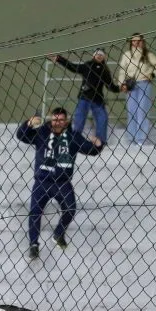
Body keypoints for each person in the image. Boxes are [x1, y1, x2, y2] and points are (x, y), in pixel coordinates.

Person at [15, 107, 103, 259]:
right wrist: (28, 123)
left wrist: (98, 145)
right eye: (55, 119)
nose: (57, 123)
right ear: (51, 119)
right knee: (35, 212)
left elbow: (90, 150)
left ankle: (58, 233)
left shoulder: (73, 136)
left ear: (66, 121)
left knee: (70, 209)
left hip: (62, 182)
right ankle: (34, 244)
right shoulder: (42, 132)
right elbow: (22, 136)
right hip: (42, 181)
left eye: (61, 120)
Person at [48, 49, 118, 145]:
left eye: (101, 55)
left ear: (104, 57)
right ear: (93, 56)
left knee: (102, 118)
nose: (99, 56)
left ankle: (101, 141)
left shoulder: (105, 70)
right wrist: (59, 59)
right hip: (84, 97)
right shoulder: (87, 65)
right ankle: (75, 140)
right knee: (79, 120)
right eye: (97, 54)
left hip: (97, 99)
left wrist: (121, 88)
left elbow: (110, 86)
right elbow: (73, 67)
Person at [116, 33, 156, 146]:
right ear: (131, 42)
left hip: (144, 84)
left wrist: (152, 75)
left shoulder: (148, 55)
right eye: (134, 41)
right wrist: (122, 84)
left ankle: (141, 139)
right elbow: (122, 70)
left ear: (143, 42)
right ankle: (131, 138)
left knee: (142, 111)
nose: (136, 43)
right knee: (131, 111)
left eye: (139, 41)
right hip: (131, 85)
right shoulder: (127, 55)